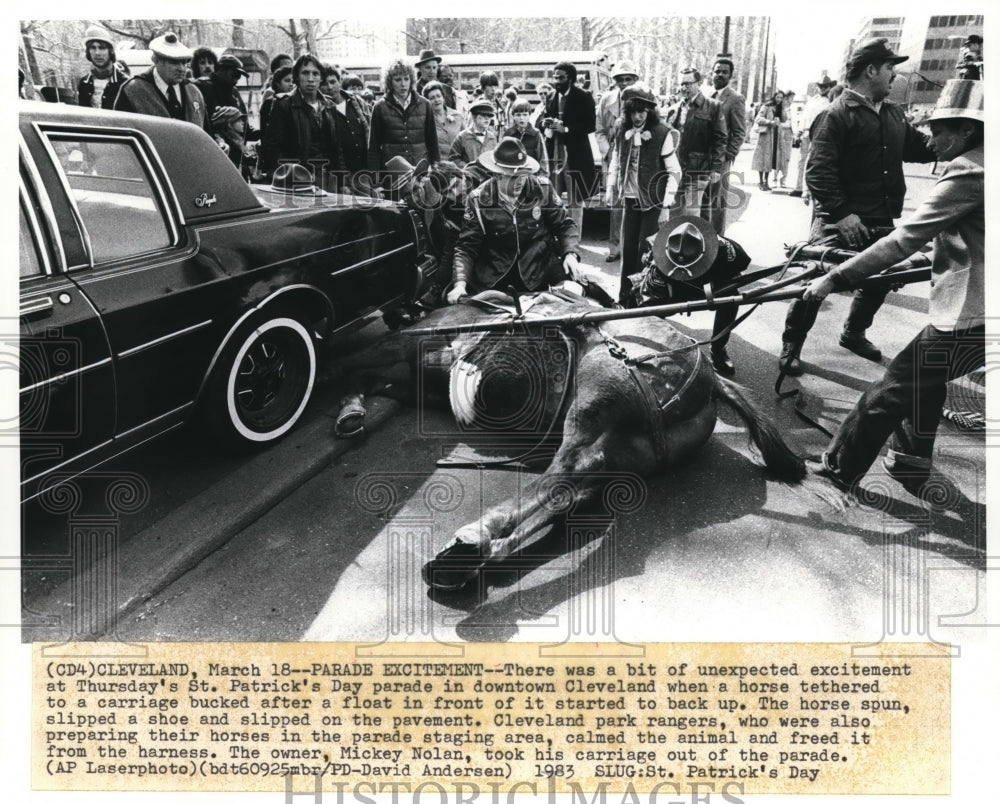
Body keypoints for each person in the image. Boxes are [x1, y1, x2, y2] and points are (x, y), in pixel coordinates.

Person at [802, 79, 983, 501]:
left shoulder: (969, 170)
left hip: (973, 315)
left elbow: (904, 240)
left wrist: (835, 277)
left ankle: (838, 468)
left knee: (892, 387)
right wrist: (922, 263)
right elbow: (970, 241)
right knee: (926, 383)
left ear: (967, 131)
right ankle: (909, 461)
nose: (930, 138)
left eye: (939, 130)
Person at [778, 37, 935, 376]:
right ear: (871, 70)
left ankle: (853, 332)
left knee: (880, 278)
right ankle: (792, 343)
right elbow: (817, 173)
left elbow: (921, 148)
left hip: (880, 216)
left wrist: (959, 137)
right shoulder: (835, 115)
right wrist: (843, 215)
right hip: (838, 222)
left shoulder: (892, 114)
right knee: (816, 282)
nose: (895, 75)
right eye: (891, 68)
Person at [448, 137, 582, 302]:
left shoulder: (543, 189)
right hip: (496, 276)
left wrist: (570, 254)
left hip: (540, 269)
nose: (519, 181)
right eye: (512, 176)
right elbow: (467, 247)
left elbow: (565, 225)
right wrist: (460, 284)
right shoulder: (477, 200)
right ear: (497, 175)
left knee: (578, 296)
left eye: (523, 175)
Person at [629, 215, 751, 376]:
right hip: (673, 285)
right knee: (647, 307)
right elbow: (648, 300)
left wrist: (717, 283)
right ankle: (652, 349)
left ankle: (718, 349)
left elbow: (740, 269)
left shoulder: (726, 250)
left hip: (710, 282)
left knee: (731, 298)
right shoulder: (657, 255)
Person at [604, 86, 681, 304]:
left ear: (649, 111)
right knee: (628, 250)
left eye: (642, 112)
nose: (637, 117)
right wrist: (611, 188)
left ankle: (645, 300)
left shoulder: (662, 133)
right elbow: (617, 160)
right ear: (626, 113)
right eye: (632, 112)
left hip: (653, 202)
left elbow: (675, 171)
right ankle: (626, 299)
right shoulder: (622, 129)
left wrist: (666, 205)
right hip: (630, 200)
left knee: (646, 251)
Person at [259, 54, 346, 189]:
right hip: (298, 181)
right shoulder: (283, 105)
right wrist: (295, 177)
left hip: (327, 179)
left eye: (315, 74)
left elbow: (337, 148)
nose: (310, 79)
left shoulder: (329, 106)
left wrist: (341, 182)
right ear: (297, 77)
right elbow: (271, 149)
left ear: (321, 78)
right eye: (305, 73)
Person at [538, 60, 597, 234]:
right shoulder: (551, 96)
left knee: (575, 200)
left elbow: (590, 125)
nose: (556, 81)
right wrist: (546, 123)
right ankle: (556, 237)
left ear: (570, 79)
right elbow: (542, 119)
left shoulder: (583, 96)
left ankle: (574, 239)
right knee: (553, 198)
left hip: (575, 156)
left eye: (561, 78)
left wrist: (566, 129)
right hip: (554, 155)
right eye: (555, 77)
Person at [663, 67, 727, 219]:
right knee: (673, 212)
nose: (684, 87)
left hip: (699, 170)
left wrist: (716, 168)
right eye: (681, 84)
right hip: (676, 170)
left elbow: (720, 139)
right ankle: (674, 243)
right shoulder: (674, 109)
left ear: (699, 83)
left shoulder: (713, 107)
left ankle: (693, 242)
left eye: (688, 83)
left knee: (692, 215)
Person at [115, 32, 208, 132]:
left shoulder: (193, 92)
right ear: (156, 60)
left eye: (184, 63)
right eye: (174, 62)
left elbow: (207, 132)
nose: (181, 69)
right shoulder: (134, 90)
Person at [367, 58, 439, 187]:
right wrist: (376, 181)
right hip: (392, 174)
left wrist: (436, 171)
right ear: (390, 82)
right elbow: (374, 147)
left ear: (412, 79)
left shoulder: (425, 105)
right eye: (398, 80)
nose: (403, 84)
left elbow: (432, 142)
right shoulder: (379, 107)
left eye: (406, 79)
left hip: (421, 172)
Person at [597, 60, 639, 263]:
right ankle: (615, 248)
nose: (624, 83)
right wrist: (607, 152)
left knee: (635, 201)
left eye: (628, 79)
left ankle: (634, 247)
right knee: (614, 202)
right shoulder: (607, 100)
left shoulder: (643, 98)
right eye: (620, 79)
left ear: (635, 80)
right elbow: (599, 130)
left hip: (636, 155)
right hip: (614, 155)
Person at [703, 55, 747, 234]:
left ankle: (717, 242)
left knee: (717, 203)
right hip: (701, 157)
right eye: (717, 71)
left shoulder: (735, 98)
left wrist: (727, 156)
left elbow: (739, 132)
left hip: (720, 160)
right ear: (711, 73)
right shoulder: (705, 96)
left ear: (730, 76)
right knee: (702, 201)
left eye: (724, 72)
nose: (719, 75)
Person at [197, 54, 258, 169]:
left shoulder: (234, 92)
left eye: (239, 76)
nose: (237, 79)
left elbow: (245, 127)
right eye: (234, 75)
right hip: (214, 155)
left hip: (237, 156)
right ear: (222, 70)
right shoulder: (202, 87)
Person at [322, 65, 373, 194]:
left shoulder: (357, 102)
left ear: (339, 82)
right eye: (324, 83)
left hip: (364, 171)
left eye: (333, 82)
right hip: (342, 175)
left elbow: (370, 131)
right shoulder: (322, 109)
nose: (329, 87)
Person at [790, 75, 836, 198]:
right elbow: (804, 117)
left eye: (825, 86)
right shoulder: (812, 100)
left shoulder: (831, 101)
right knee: (802, 160)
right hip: (806, 132)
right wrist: (798, 133)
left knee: (815, 161)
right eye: (820, 86)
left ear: (829, 87)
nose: (822, 88)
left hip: (820, 133)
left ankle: (812, 189)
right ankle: (799, 187)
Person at [76, 25, 130, 110]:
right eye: (93, 48)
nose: (97, 53)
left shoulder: (125, 82)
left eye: (102, 48)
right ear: (88, 52)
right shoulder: (84, 83)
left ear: (110, 51)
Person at [503, 99, 548, 176]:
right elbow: (503, 156)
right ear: (513, 116)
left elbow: (542, 158)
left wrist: (543, 176)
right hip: (512, 174)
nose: (521, 118)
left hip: (531, 174)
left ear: (529, 115)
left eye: (524, 114)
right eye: (518, 115)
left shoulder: (535, 133)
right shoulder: (508, 134)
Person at [449, 98, 498, 167]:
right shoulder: (462, 137)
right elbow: (453, 159)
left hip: (489, 175)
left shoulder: (492, 138)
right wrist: (468, 167)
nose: (487, 118)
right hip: (469, 175)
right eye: (483, 115)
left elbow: (496, 159)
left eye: (489, 116)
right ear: (474, 117)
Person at [750, 91, 783, 190]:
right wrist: (770, 122)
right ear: (774, 97)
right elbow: (758, 119)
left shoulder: (779, 108)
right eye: (778, 97)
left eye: (781, 98)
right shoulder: (766, 106)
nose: (779, 100)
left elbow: (784, 119)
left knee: (770, 159)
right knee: (763, 158)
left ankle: (766, 182)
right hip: (765, 136)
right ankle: (760, 182)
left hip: (775, 136)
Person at [423, 80, 463, 155]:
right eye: (432, 98)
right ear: (427, 102)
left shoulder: (458, 116)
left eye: (439, 96)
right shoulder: (425, 120)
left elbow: (466, 140)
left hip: (457, 163)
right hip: (437, 163)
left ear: (443, 97)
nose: (436, 100)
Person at [258, 66, 293, 137]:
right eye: (287, 81)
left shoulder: (295, 100)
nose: (291, 84)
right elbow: (264, 130)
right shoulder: (269, 102)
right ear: (277, 83)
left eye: (293, 81)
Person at [774, 90, 795, 187]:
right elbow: (776, 122)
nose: (791, 100)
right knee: (778, 157)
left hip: (789, 135)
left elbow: (794, 124)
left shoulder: (792, 110)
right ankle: (774, 179)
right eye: (790, 98)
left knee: (787, 158)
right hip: (780, 134)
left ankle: (783, 180)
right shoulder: (779, 109)